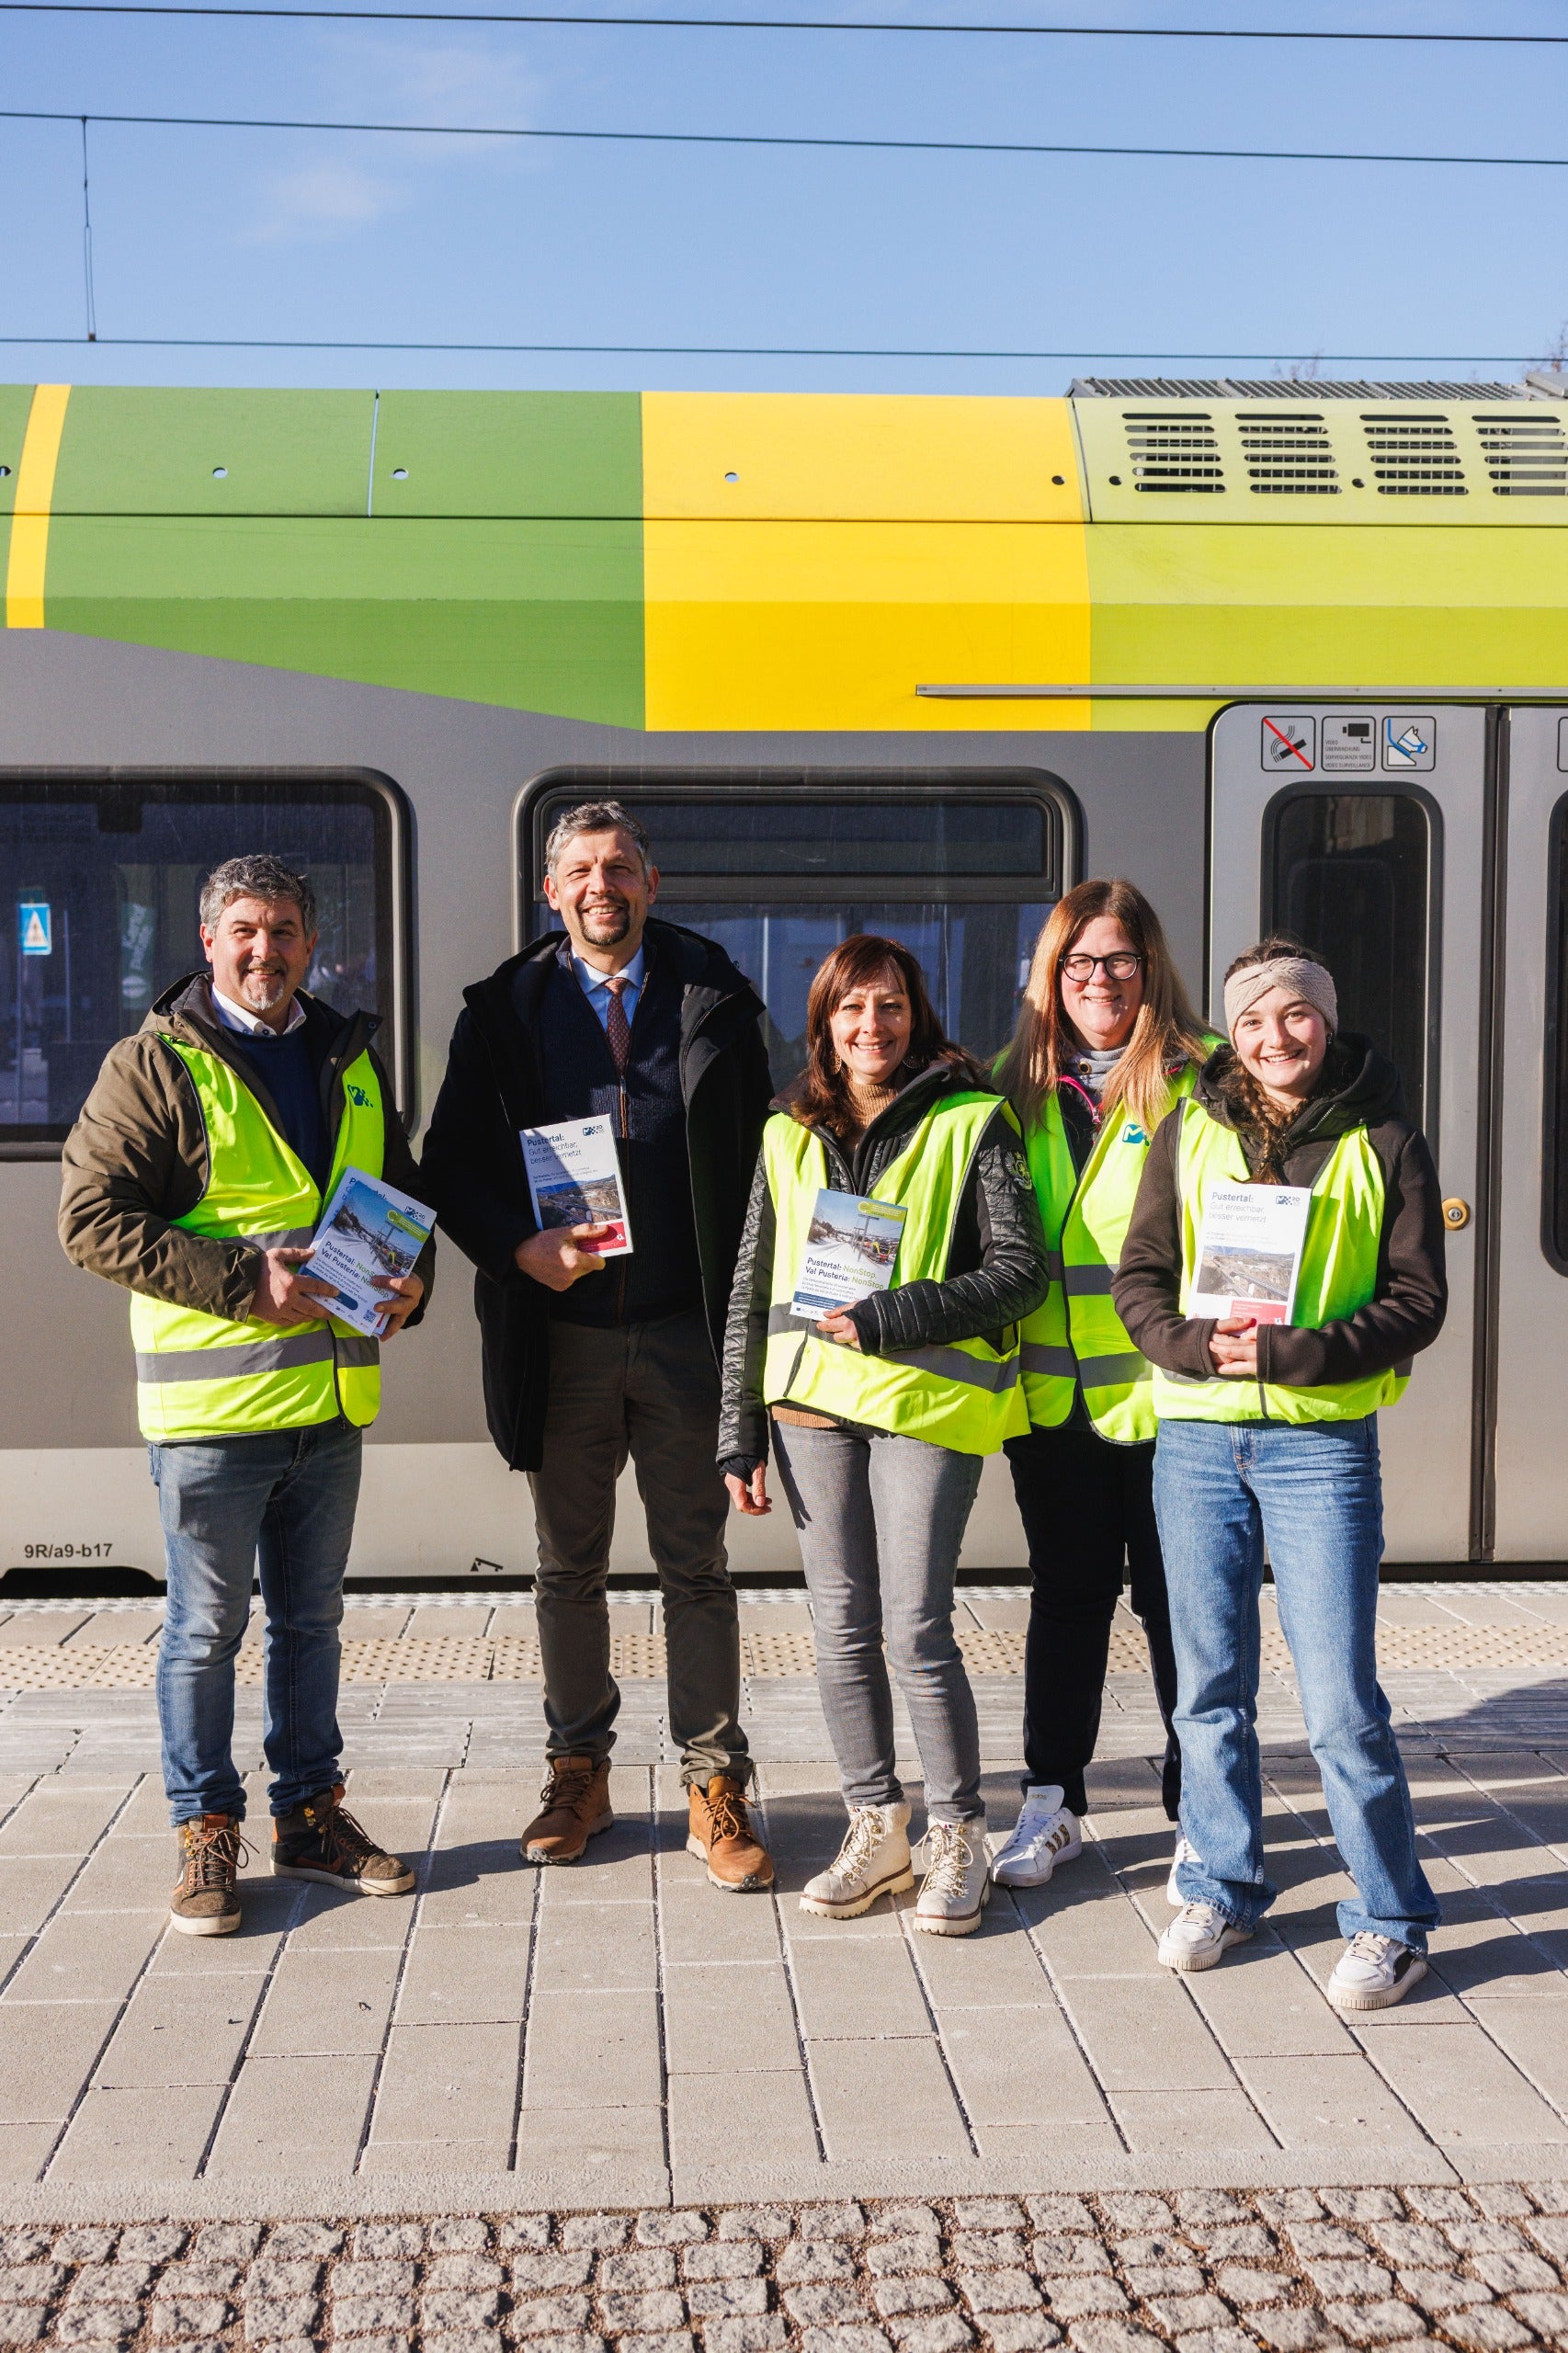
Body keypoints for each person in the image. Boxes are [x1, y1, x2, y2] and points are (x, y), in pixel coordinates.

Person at [59, 854, 432, 1937]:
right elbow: (90, 1221)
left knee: (312, 1624)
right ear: (210, 944)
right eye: (243, 932)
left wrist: (412, 1290)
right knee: (205, 1628)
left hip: (330, 1402)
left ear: (310, 945)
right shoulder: (156, 1064)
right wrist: (244, 1282)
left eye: (282, 932)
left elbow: (400, 1197)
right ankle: (204, 1832)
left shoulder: (350, 1058)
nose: (263, 951)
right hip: (214, 1416)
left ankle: (311, 1817)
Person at [421, 801, 776, 1890]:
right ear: (551, 890)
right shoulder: (504, 1011)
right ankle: (578, 1770)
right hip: (560, 1334)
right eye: (578, 870)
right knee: (566, 1569)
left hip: (683, 1329)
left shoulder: (714, 996)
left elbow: (770, 1159)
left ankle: (715, 1782)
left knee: (696, 1567)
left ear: (651, 883)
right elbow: (449, 1164)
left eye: (618, 867)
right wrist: (515, 1251)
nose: (599, 886)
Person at [1113, 937, 1447, 2011]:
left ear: (1325, 1017)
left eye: (1293, 1015)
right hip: (1198, 1436)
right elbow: (1139, 1278)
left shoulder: (1385, 1136)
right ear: (1232, 1030)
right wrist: (1187, 1345)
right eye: (1252, 1020)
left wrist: (1295, 1354)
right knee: (1206, 1687)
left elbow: (1415, 1300)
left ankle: (1390, 1920)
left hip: (1316, 1444)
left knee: (1340, 1698)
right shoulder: (1188, 1129)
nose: (1273, 1037)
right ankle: (1219, 1880)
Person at [719, 935, 1049, 1936]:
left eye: (890, 1006)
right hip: (809, 1408)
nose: (872, 1026)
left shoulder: (971, 1116)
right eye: (851, 1009)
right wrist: (735, 1428)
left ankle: (957, 1832)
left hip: (923, 1407)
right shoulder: (785, 1129)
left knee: (913, 1626)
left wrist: (891, 1316)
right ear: (821, 1021)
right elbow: (749, 1282)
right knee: (837, 1629)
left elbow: (1020, 1271)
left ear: (918, 1016)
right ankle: (876, 1824)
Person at [988, 880, 1215, 1894]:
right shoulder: (1010, 1087)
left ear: (1149, 966)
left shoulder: (1203, 1076)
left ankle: (1199, 1812)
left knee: (1183, 1607)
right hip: (1056, 1399)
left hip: (1175, 1399)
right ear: (1050, 976)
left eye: (1117, 959)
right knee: (1068, 1598)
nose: (1098, 979)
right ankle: (1051, 1801)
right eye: (1077, 962)